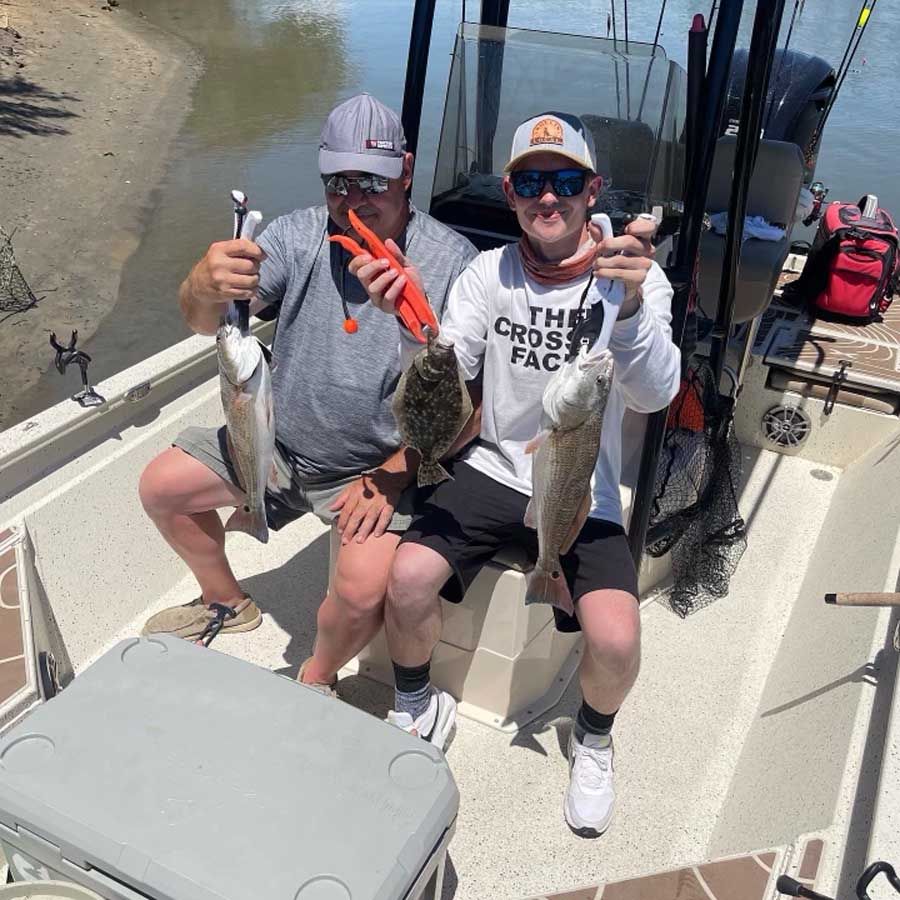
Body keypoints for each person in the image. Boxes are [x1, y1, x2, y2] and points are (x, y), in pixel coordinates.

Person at [350, 111, 680, 836]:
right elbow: (449, 369)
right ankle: (416, 701)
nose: (547, 196)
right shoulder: (487, 272)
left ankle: (593, 737)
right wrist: (409, 323)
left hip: (580, 483)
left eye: (563, 181)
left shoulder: (633, 277)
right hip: (494, 467)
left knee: (616, 638)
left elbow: (655, 395)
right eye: (530, 183)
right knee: (407, 579)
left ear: (592, 190)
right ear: (509, 193)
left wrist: (628, 312)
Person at [137, 94, 479, 695]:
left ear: (406, 171)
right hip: (273, 446)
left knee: (361, 592)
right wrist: (200, 285)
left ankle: (316, 676)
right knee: (161, 487)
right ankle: (226, 601)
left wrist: (395, 474)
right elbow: (206, 320)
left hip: (372, 469)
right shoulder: (297, 236)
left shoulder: (454, 264)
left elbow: (466, 408)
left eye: (371, 180)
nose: (354, 198)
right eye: (338, 182)